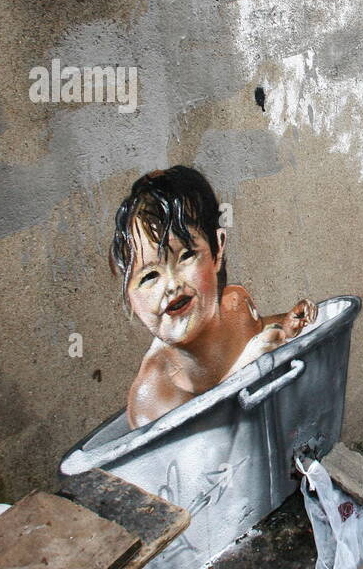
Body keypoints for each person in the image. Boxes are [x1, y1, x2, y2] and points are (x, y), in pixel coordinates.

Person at [109, 166, 316, 428]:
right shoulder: (153, 392)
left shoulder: (236, 305)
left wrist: (285, 325)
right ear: (130, 300)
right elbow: (200, 449)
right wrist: (242, 371)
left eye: (186, 256)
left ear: (217, 251)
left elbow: (257, 333)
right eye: (150, 276)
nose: (172, 285)